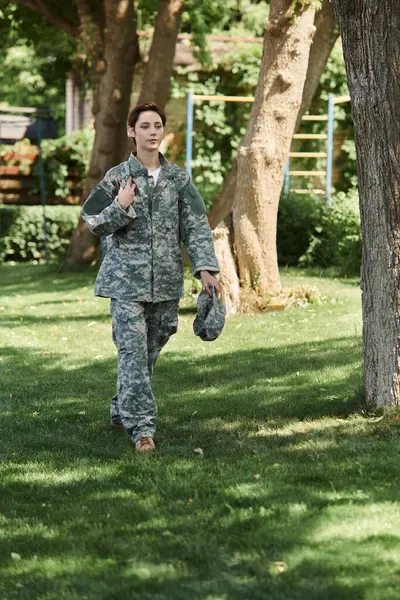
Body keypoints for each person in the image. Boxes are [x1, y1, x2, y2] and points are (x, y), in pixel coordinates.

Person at [82, 101, 220, 452]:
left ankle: (120, 408)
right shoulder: (117, 178)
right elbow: (94, 221)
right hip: (125, 284)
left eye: (157, 125)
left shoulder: (178, 179)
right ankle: (142, 429)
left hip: (166, 283)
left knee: (147, 353)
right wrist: (121, 204)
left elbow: (196, 227)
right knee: (131, 354)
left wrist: (206, 269)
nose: (152, 131)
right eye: (144, 126)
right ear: (132, 132)